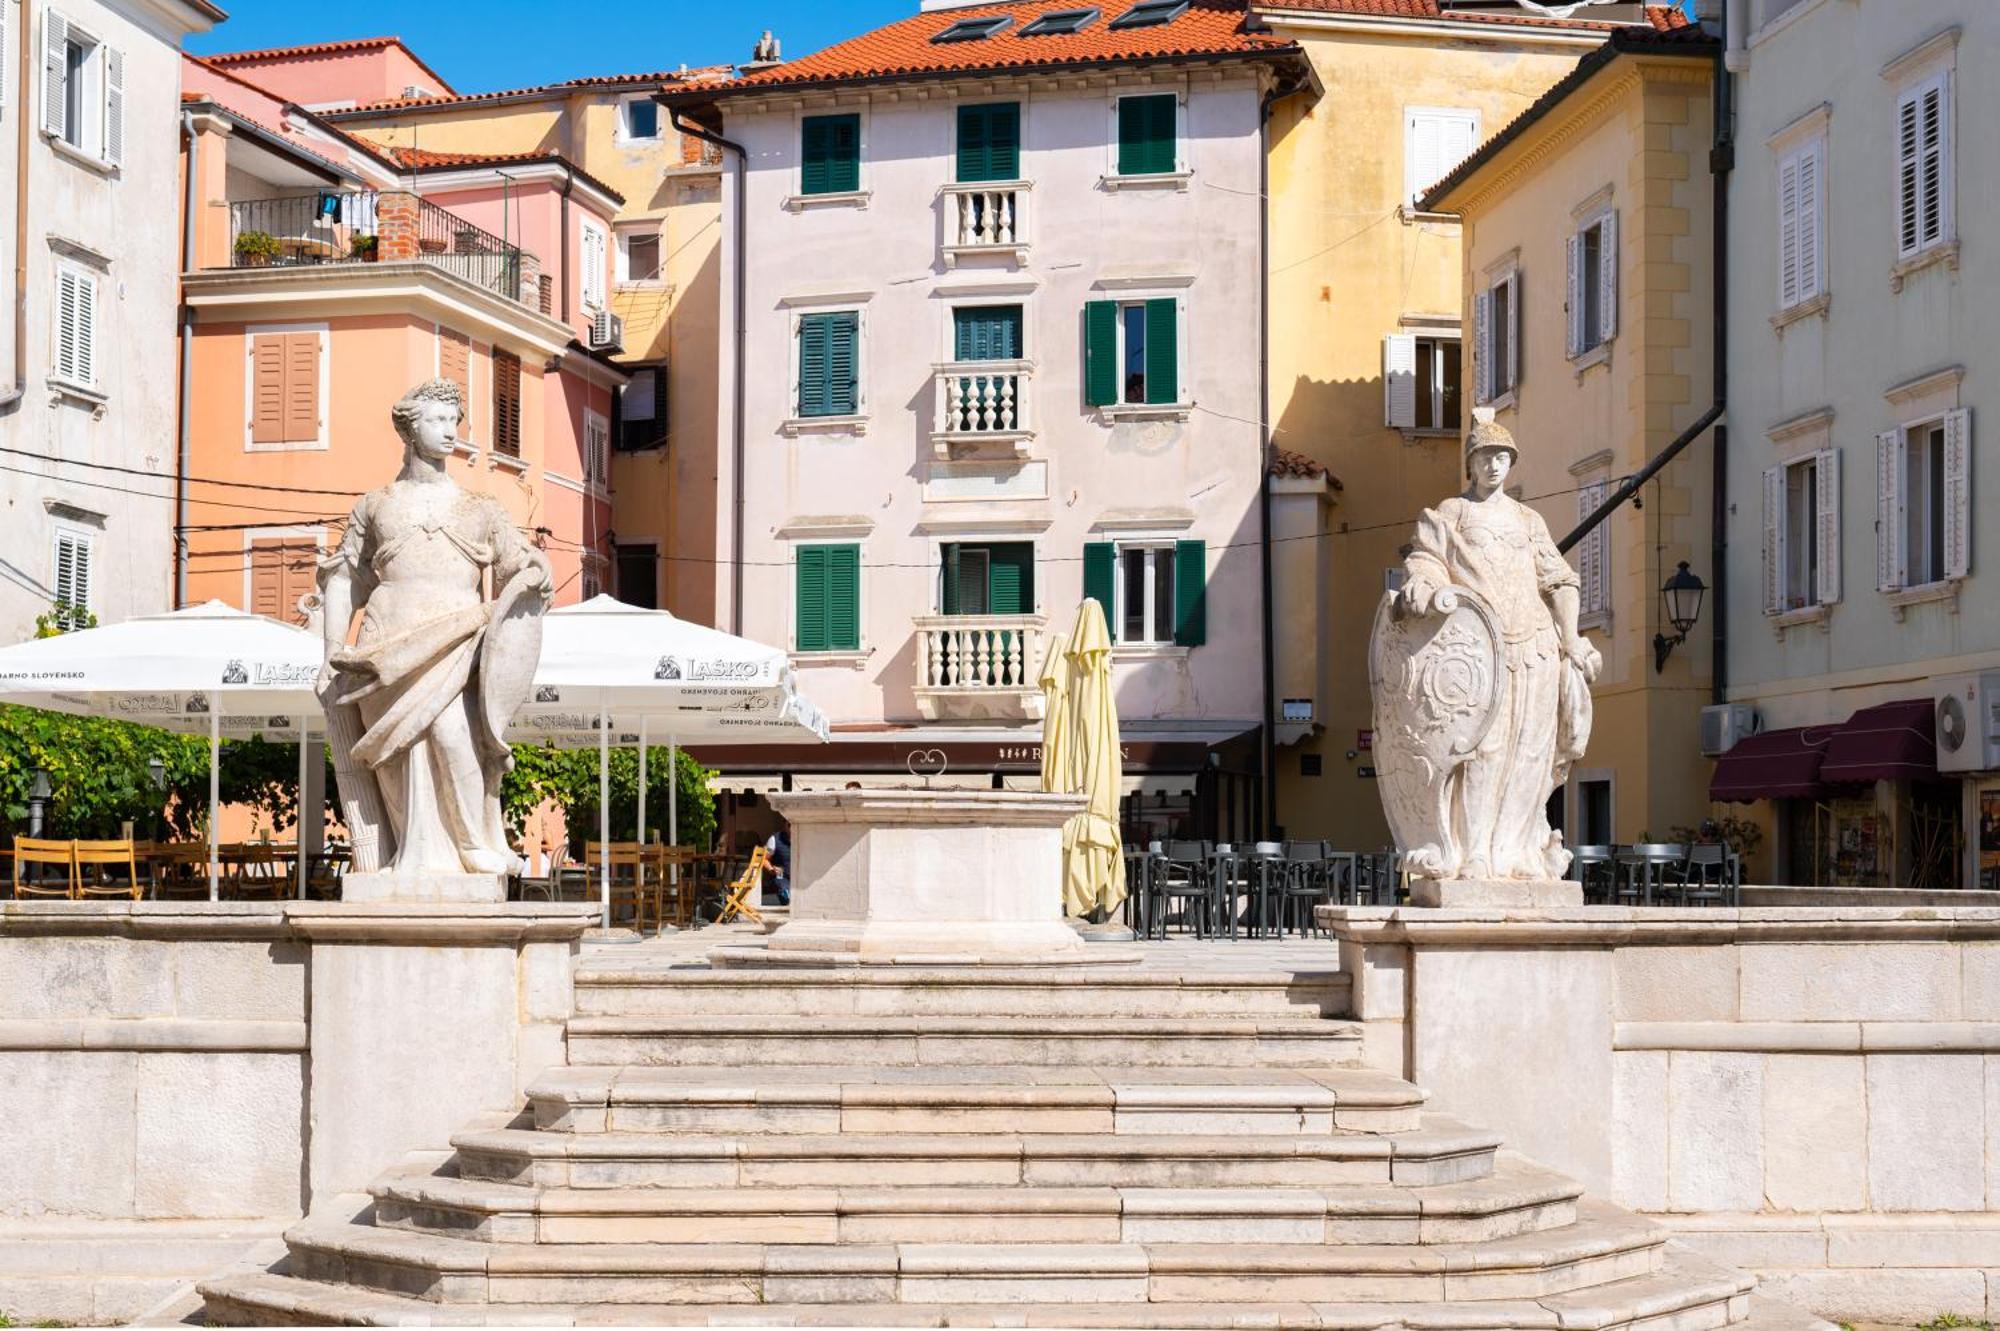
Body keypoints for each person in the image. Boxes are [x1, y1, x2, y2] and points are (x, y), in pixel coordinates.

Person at [316, 378, 552, 877]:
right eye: (438, 420)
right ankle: (411, 850)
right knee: (395, 752)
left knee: (451, 734)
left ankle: (470, 843)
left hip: (457, 639)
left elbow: (514, 562)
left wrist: (535, 567)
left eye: (454, 421)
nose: (451, 432)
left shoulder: (480, 507)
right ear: (409, 427)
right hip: (385, 643)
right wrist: (331, 651)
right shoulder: (376, 504)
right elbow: (345, 579)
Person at [1390, 410, 1601, 880]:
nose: (1494, 465)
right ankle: (1478, 851)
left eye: (1502, 457)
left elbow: (1561, 581)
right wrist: (1424, 585)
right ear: (1471, 462)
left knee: (1531, 751)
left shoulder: (1529, 520)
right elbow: (1426, 559)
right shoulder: (1453, 512)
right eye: (1485, 456)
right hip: (1479, 651)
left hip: (1535, 648)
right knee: (1481, 749)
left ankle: (1515, 851)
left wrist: (1571, 638)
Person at [763, 827, 792, 906]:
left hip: (800, 879)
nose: (791, 827)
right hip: (782, 877)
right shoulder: (775, 839)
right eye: (789, 825)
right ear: (785, 825)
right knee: (786, 895)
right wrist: (771, 869)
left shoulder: (804, 837)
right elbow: (764, 859)